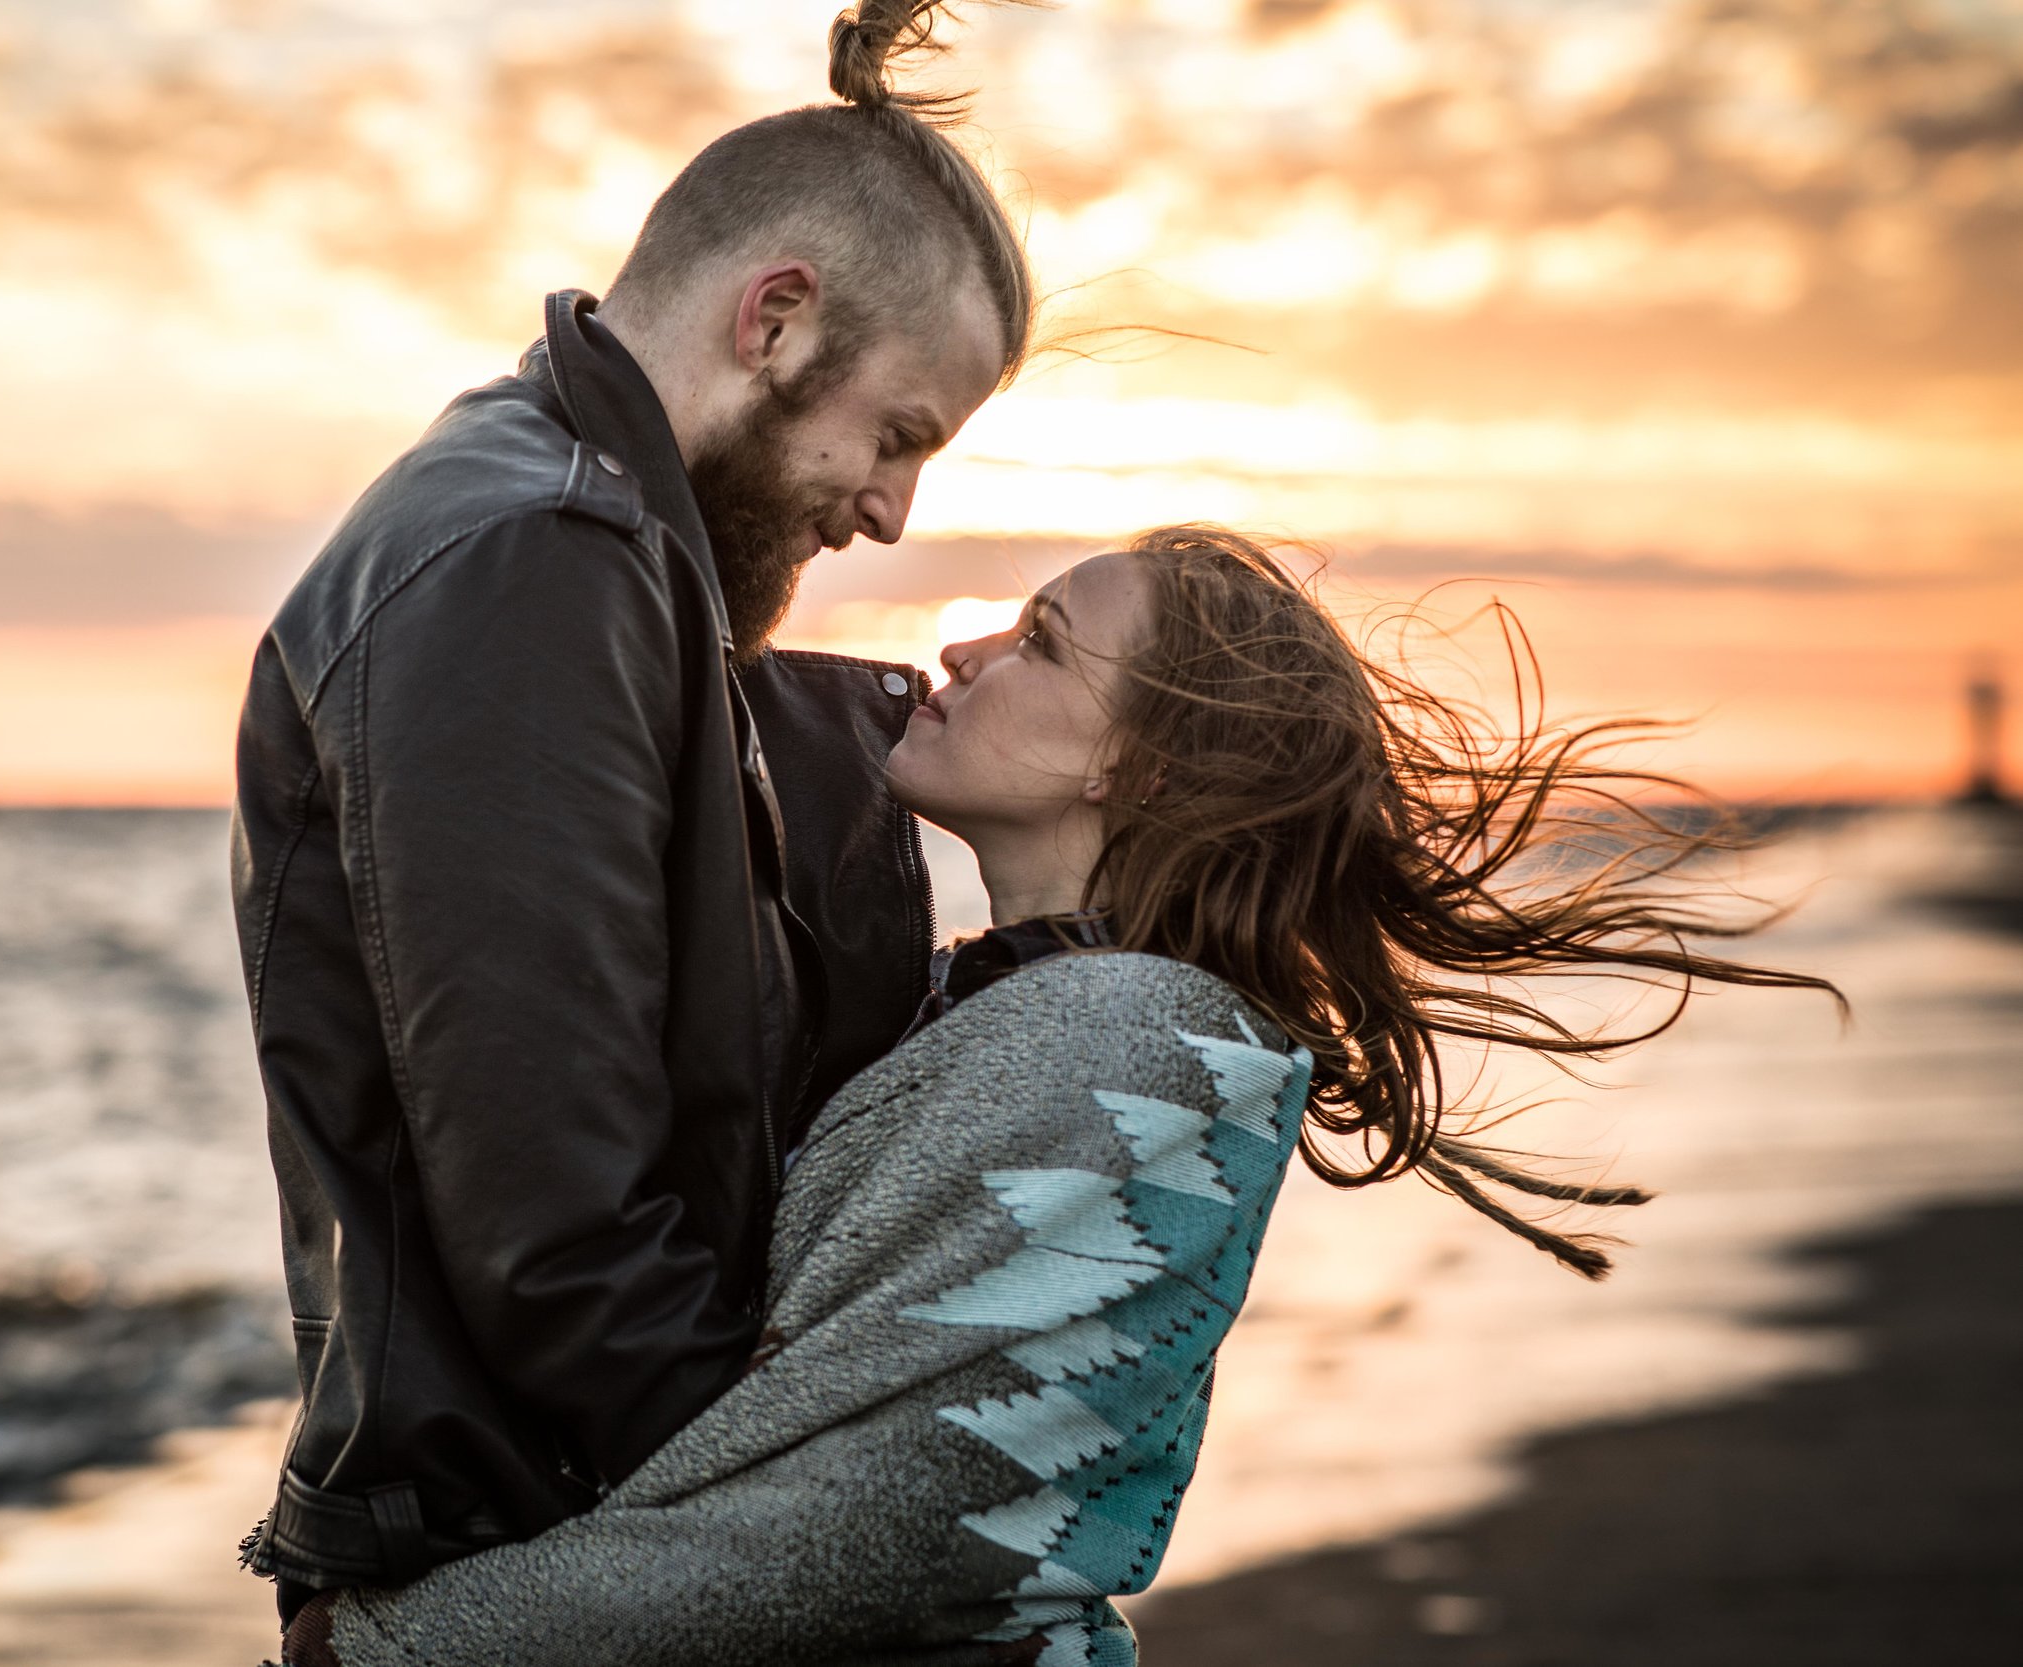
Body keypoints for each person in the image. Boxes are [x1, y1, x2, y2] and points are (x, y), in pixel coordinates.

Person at [274, 527, 1841, 1666]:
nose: (958, 650)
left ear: (1139, 773)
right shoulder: (1031, 1011)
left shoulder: (1129, 1046)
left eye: (1037, 640)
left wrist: (402, 1646)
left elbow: (870, 1527)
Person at [227, 0, 1033, 1638]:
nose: (891, 510)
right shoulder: (535, 558)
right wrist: (806, 1543)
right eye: (897, 437)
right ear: (777, 319)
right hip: (515, 1574)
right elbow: (560, 1227)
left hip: (558, 1537)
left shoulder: (588, 543)